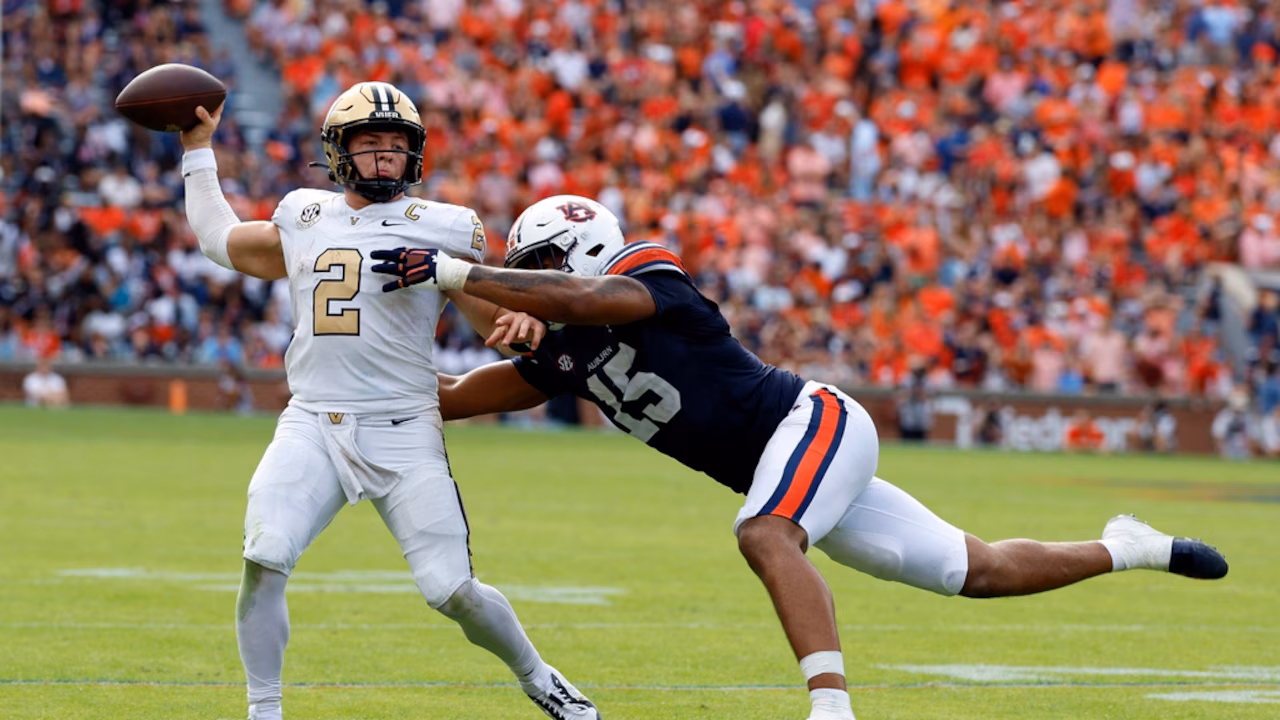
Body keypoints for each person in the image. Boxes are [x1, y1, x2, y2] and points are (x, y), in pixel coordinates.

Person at [372, 194, 1230, 720]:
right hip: (790, 467)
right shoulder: (562, 355)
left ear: (578, 248)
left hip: (815, 422)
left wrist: (458, 274)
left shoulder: (646, 276)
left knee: (763, 534)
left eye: (535, 270)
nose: (526, 286)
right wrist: (354, 369)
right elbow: (448, 397)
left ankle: (831, 709)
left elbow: (584, 296)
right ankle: (1131, 546)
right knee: (978, 571)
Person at [179, 86, 597, 720]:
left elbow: (494, 320)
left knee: (452, 591)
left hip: (404, 427)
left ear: (415, 153)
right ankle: (264, 711)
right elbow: (219, 239)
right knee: (264, 554)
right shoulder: (302, 215)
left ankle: (542, 680)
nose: (384, 156)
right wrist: (197, 151)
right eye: (369, 142)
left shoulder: (446, 225)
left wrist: (522, 320)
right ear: (337, 152)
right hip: (312, 420)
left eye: (396, 144)